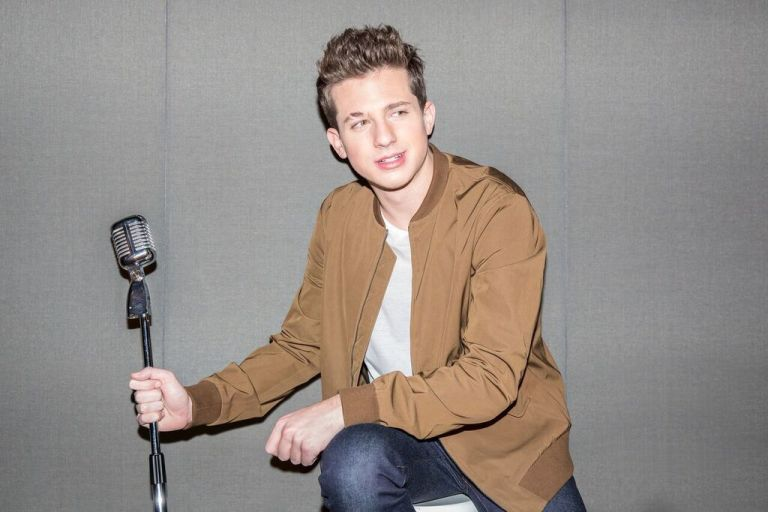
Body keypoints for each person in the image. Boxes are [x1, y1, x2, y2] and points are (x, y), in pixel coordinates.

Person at [129, 25, 586, 512]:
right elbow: (303, 344)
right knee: (354, 460)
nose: (384, 137)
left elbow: (490, 378)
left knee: (352, 435)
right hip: (402, 446)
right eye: (360, 122)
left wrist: (344, 409)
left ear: (427, 116)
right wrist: (199, 403)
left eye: (397, 112)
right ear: (338, 142)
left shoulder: (496, 210)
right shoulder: (339, 216)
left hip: (506, 454)